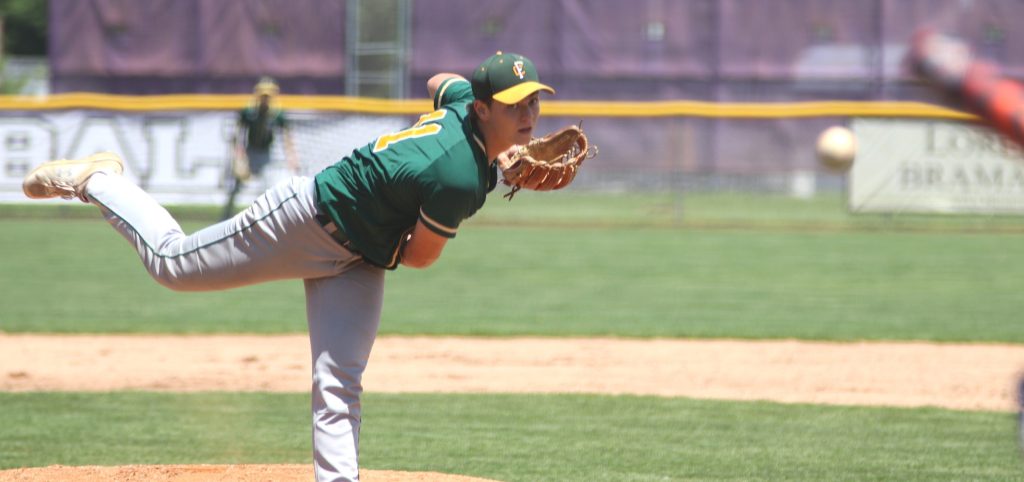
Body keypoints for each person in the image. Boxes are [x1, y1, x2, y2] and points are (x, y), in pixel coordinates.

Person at [21, 51, 554, 482]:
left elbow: (442, 81)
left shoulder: (464, 106)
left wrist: (495, 151)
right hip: (305, 220)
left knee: (339, 382)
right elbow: (418, 257)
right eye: (513, 104)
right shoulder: (458, 176)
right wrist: (493, 166)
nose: (528, 114)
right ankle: (98, 180)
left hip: (359, 257)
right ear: (482, 109)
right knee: (171, 264)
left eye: (532, 100)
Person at [223, 76, 299, 220]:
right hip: (250, 152)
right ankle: (226, 217)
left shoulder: (277, 113)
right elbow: (238, 133)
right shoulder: (249, 111)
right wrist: (239, 156)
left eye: (268, 96)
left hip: (266, 154)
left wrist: (292, 157)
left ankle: (266, 218)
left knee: (267, 188)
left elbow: (286, 136)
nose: (265, 99)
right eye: (263, 96)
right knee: (235, 187)